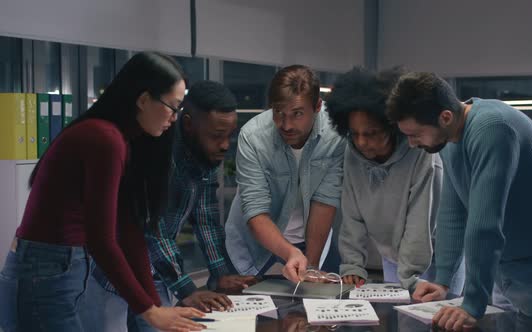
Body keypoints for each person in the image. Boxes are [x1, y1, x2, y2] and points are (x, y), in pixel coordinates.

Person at [0, 52, 206, 332]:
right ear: (144, 100)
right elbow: (103, 240)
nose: (174, 118)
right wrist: (150, 311)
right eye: (173, 107)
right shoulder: (104, 139)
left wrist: (153, 307)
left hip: (63, 265)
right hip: (45, 267)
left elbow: (129, 230)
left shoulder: (121, 140)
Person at [387, 72, 532, 331]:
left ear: (445, 117)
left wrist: (473, 303)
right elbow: (452, 212)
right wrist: (444, 281)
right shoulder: (449, 138)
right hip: (505, 271)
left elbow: (485, 225)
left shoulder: (492, 128)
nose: (412, 144)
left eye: (416, 134)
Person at [80, 81, 258, 332]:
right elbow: (153, 230)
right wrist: (187, 289)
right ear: (187, 124)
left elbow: (206, 218)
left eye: (229, 135)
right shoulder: (159, 155)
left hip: (153, 271)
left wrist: (220, 274)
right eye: (216, 136)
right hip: (109, 273)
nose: (225, 145)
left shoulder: (204, 157)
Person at [325, 67, 465, 294]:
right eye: (354, 133)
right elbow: (352, 215)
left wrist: (410, 277)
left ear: (393, 127)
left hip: (435, 257)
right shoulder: (353, 154)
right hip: (392, 255)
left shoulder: (422, 154)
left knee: (439, 320)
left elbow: (420, 223)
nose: (361, 142)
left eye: (370, 133)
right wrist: (352, 264)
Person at [224, 65, 346, 282]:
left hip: (312, 236)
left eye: (297, 114)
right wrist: (291, 253)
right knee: (241, 303)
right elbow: (255, 211)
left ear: (317, 106)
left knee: (323, 298)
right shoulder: (253, 137)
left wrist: (312, 265)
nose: (286, 124)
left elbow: (325, 202)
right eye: (279, 112)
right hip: (256, 238)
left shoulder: (334, 133)